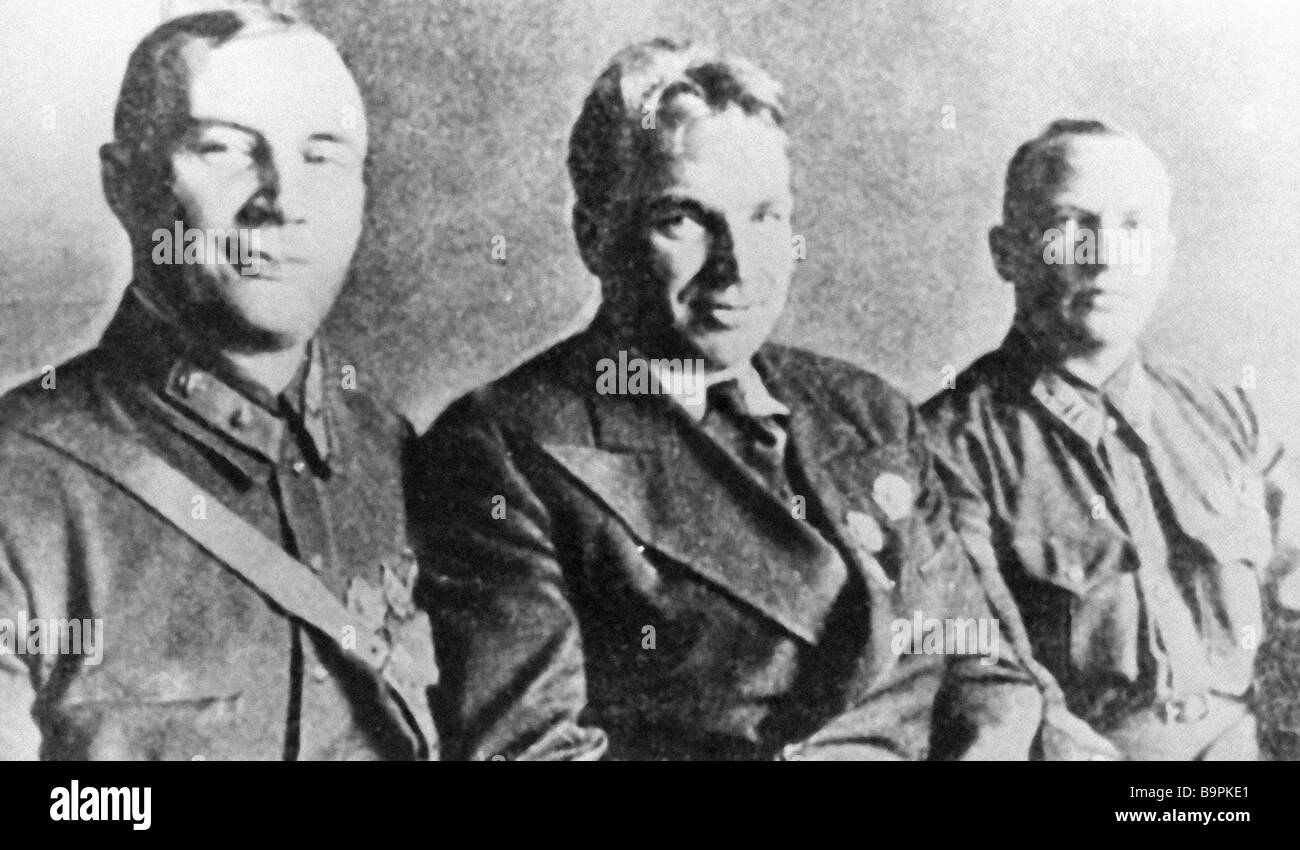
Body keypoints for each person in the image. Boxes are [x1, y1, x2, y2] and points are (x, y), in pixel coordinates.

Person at [414, 39, 1040, 761]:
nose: (737, 268)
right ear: (593, 235)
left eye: (764, 217)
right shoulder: (501, 446)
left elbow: (984, 672)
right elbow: (532, 751)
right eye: (683, 220)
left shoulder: (869, 412)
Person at [0, 5, 438, 760]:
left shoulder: (407, 460)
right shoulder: (19, 487)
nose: (283, 201)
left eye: (323, 156)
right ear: (123, 185)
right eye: (225, 149)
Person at [922, 118, 1300, 759]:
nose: (1106, 257)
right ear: (1006, 252)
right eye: (1072, 224)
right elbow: (981, 682)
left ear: (1165, 254)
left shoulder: (1226, 416)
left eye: (1133, 227)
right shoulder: (948, 446)